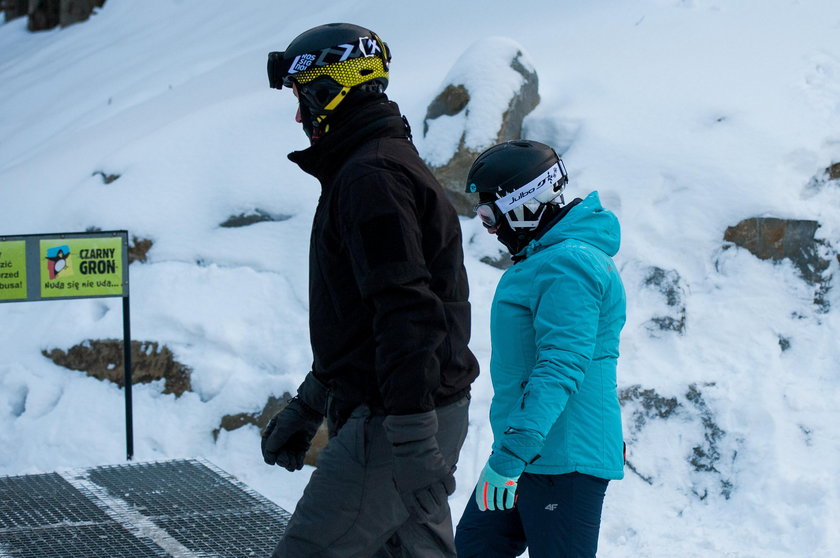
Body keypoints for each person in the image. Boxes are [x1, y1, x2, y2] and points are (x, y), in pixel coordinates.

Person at [259, 22, 479, 558]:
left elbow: (407, 313)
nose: (298, 116)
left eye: (301, 97)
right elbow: (360, 321)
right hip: (409, 410)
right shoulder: (372, 165)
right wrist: (311, 403)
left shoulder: (370, 176)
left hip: (393, 420)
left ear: (328, 91)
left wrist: (407, 437)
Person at [454, 140, 626, 558]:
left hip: (563, 460)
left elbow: (561, 364)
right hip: (532, 451)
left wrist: (511, 455)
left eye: (489, 213)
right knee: (475, 549)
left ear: (523, 205)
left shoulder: (569, 264)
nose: (489, 227)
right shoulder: (546, 260)